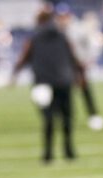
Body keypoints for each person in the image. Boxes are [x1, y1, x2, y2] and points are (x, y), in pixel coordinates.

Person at [14, 5, 85, 163]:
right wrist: (79, 74)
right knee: (67, 118)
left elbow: (24, 57)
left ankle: (48, 154)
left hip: (43, 83)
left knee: (48, 119)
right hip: (63, 81)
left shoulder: (34, 37)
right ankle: (69, 151)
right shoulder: (61, 34)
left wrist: (14, 74)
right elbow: (73, 55)